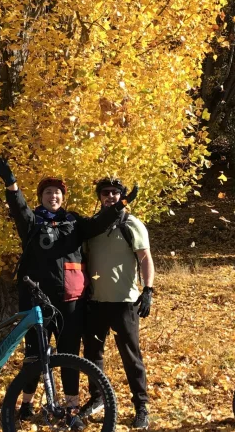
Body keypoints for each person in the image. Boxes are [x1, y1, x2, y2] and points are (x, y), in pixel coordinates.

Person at [0, 157, 137, 431]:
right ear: (42, 198)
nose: (53, 196)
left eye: (57, 192)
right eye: (48, 192)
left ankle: (71, 407)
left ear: (63, 197)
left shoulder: (74, 221)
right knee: (34, 353)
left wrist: (120, 205)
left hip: (70, 300)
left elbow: (98, 224)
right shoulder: (32, 222)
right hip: (35, 301)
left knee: (70, 353)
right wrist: (12, 184)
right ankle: (26, 403)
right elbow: (18, 207)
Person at [80, 177, 155, 430]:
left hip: (125, 302)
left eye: (115, 193)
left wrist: (148, 290)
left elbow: (145, 258)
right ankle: (98, 397)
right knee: (92, 355)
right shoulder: (93, 227)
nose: (110, 196)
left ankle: (141, 406)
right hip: (96, 302)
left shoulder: (131, 224)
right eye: (105, 193)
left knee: (131, 356)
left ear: (122, 196)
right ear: (99, 197)